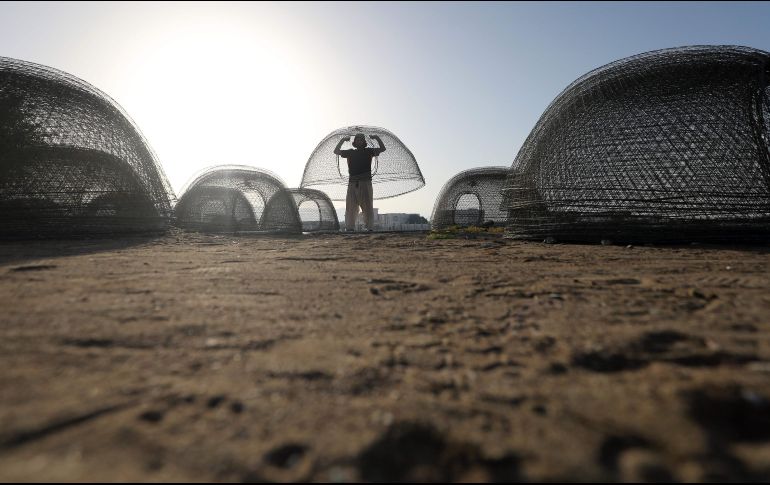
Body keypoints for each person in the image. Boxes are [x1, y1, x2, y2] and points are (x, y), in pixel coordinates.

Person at [334, 132, 386, 231]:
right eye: (357, 139)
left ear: (364, 142)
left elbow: (382, 149)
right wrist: (342, 140)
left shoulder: (369, 151)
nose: (359, 141)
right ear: (355, 142)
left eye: (361, 139)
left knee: (367, 206)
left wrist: (376, 137)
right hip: (352, 182)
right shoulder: (350, 152)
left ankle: (369, 227)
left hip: (365, 182)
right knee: (351, 206)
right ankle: (350, 227)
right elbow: (336, 151)